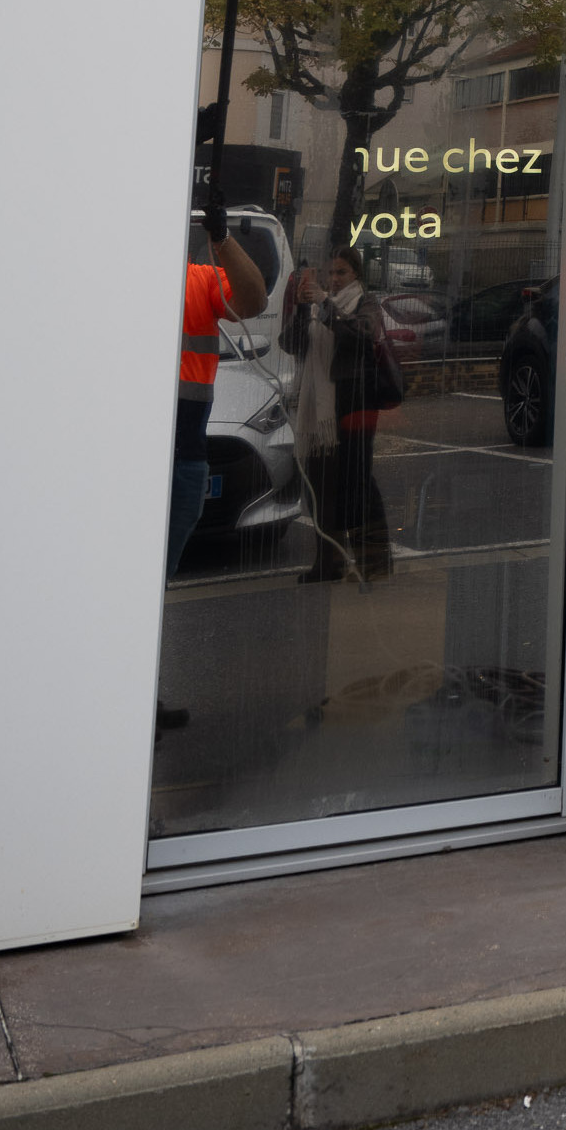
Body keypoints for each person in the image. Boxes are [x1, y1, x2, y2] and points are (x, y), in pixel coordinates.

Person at [160, 200, 269, 736]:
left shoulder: (198, 280)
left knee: (155, 584)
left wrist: (223, 239)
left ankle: (139, 697)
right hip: (138, 463)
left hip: (183, 459)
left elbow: (253, 300)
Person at [284, 243, 397, 582]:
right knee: (320, 485)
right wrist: (304, 310)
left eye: (341, 272)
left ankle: (375, 561)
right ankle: (328, 562)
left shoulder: (366, 303)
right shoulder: (321, 309)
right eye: (330, 273)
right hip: (321, 415)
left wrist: (323, 303)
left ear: (356, 274)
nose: (333, 279)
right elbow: (290, 344)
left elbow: (359, 336)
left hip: (354, 408)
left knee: (357, 484)